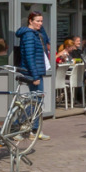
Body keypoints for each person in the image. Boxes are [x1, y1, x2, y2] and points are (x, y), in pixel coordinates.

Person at [14, 10, 52, 143]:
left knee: (36, 100)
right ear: (30, 21)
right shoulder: (29, 35)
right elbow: (29, 57)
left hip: (37, 71)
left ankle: (34, 130)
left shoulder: (37, 33)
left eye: (42, 21)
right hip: (33, 72)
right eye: (37, 21)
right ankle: (16, 125)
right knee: (37, 100)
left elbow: (47, 40)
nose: (40, 24)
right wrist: (35, 76)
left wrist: (41, 28)